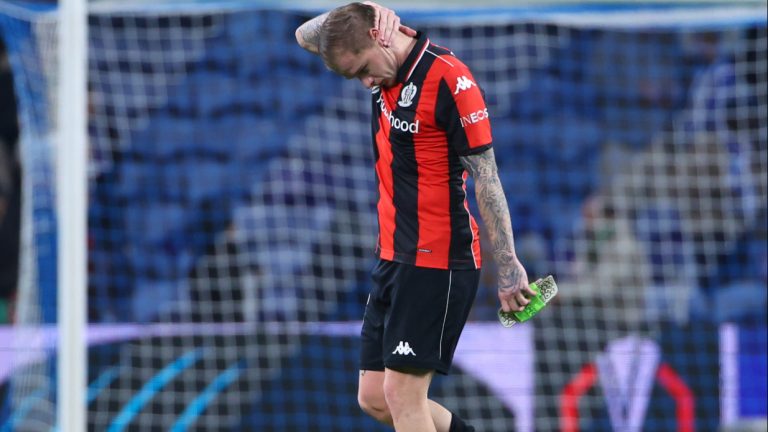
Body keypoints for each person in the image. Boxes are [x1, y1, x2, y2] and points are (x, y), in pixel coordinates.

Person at [295, 3, 533, 431]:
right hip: (393, 255)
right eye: (356, 78)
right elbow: (304, 35)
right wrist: (365, 7)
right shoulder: (377, 59)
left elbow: (487, 178)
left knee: (402, 397)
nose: (367, 82)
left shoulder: (450, 80)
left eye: (365, 69)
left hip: (438, 259)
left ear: (378, 38)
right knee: (374, 397)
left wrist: (508, 264)